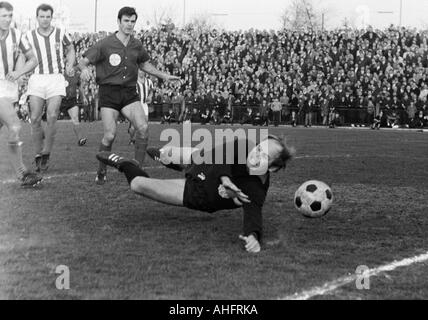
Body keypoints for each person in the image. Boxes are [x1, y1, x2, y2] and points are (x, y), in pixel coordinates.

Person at [96, 134, 294, 253]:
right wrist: (225, 179)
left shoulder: (257, 186)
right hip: (206, 164)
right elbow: (221, 156)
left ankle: (125, 164)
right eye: (259, 148)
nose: (256, 154)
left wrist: (253, 236)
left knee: (137, 185)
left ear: (273, 168)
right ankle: (167, 158)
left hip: (199, 194)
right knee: (181, 154)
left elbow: (253, 212)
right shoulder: (243, 144)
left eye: (264, 156)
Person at [79, 7, 181, 184]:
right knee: (110, 135)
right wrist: (84, 70)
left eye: (132, 21)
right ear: (119, 22)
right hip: (109, 93)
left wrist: (163, 75)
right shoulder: (105, 44)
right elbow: (83, 61)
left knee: (143, 128)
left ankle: (137, 171)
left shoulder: (136, 44)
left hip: (129, 93)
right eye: (126, 21)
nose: (129, 24)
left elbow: (145, 65)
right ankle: (101, 171)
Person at [26, 4, 76, 172]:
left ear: (51, 18)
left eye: (48, 17)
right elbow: (23, 56)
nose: (45, 20)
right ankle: (38, 153)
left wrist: (70, 64)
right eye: (42, 16)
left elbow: (70, 49)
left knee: (53, 114)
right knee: (34, 117)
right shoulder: (29, 36)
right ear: (37, 17)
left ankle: (46, 153)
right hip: (37, 78)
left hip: (56, 78)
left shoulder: (60, 33)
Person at [0, 1, 42, 186]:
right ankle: (22, 173)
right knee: (15, 126)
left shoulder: (17, 35)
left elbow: (34, 59)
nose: (7, 20)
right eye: (3, 16)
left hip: (10, 90)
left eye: (10, 16)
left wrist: (18, 73)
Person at [61, 64, 87, 146]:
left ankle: (80, 139)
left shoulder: (77, 76)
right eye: (67, 65)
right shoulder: (61, 75)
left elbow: (80, 87)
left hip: (72, 100)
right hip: (61, 100)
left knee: (75, 119)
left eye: (71, 65)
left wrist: (84, 97)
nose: (69, 67)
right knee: (51, 119)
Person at [128, 70, 153, 145]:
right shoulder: (133, 81)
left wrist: (150, 97)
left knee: (145, 124)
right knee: (133, 127)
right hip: (136, 104)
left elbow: (151, 91)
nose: (141, 72)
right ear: (137, 72)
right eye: (140, 71)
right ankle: (132, 139)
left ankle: (141, 140)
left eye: (143, 71)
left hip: (144, 104)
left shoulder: (149, 81)